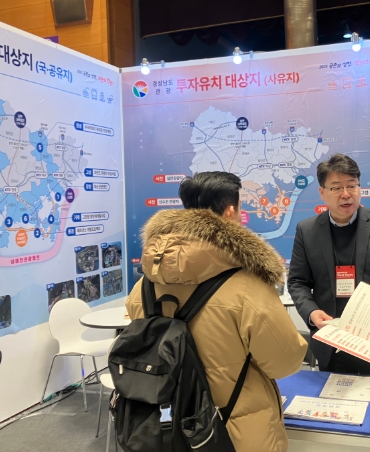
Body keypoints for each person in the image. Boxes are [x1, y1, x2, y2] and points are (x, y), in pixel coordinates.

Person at [125, 171, 307, 452]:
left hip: (170, 427)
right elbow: (284, 362)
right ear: (231, 212)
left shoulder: (145, 284)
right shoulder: (248, 285)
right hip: (234, 430)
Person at [288, 153, 370, 374]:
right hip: (328, 341)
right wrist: (311, 312)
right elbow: (298, 282)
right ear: (322, 193)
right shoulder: (307, 231)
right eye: (336, 188)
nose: (346, 194)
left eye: (352, 186)